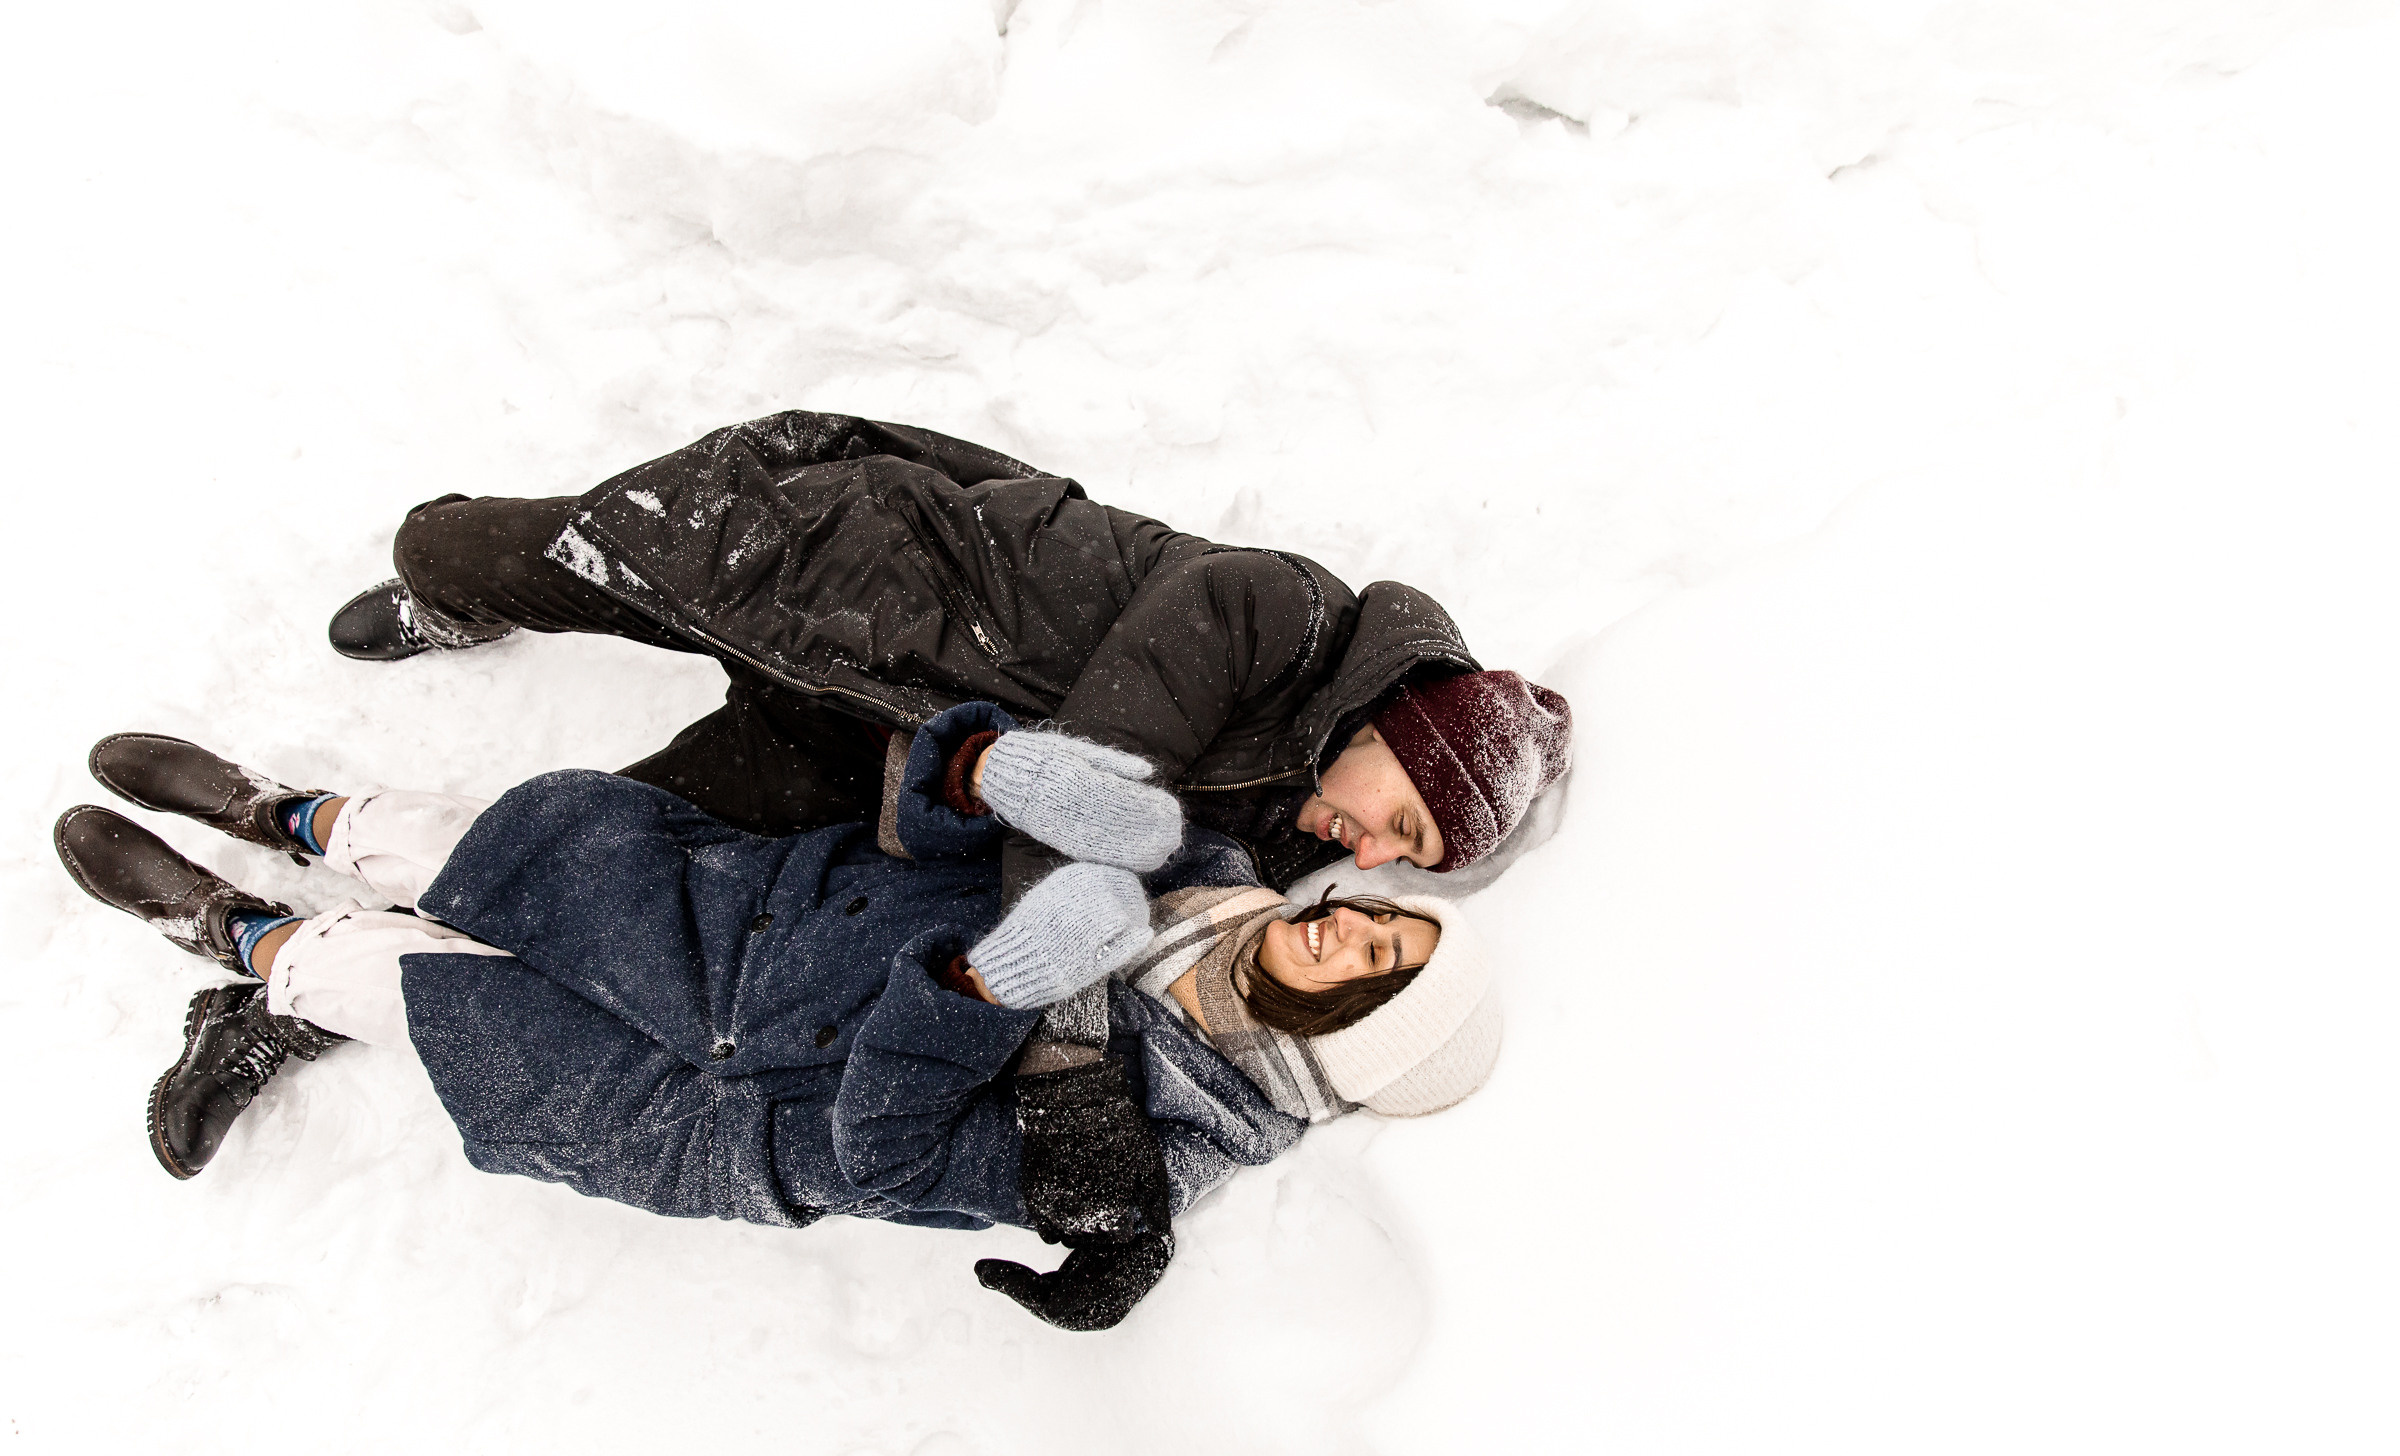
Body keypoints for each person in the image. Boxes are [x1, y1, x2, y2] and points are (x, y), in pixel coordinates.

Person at [55, 712, 1501, 1331]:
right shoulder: (1192, 865)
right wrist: (979, 773)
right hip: (763, 928)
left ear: (1348, 1034)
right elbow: (941, 820)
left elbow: (889, 1157)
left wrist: (994, 994)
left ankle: (235, 936)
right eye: (1383, 914)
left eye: (1375, 960)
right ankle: (283, 812)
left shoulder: (1154, 1154)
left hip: (720, 1123)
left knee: (416, 1000)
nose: (1349, 923)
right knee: (485, 844)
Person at [323, 410, 1575, 912]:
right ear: (1395, 730)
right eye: (1401, 824)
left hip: (869, 747)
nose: (1371, 854)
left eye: (1403, 860)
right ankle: (449, 591)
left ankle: (359, 920)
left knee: (602, 846)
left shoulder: (1294, 826)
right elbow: (1084, 787)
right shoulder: (1277, 609)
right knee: (483, 550)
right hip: (847, 583)